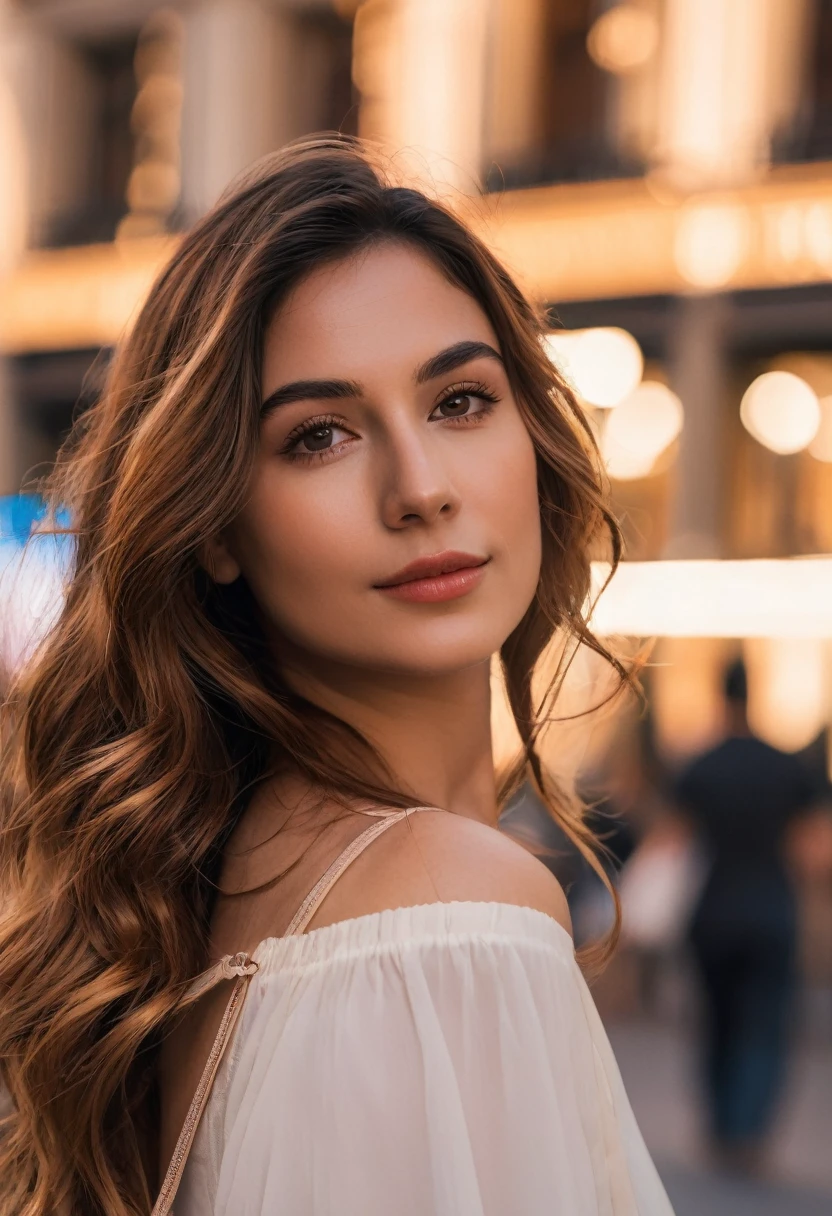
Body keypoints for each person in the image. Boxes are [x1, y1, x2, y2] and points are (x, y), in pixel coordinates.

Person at [0, 136, 674, 1215]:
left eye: (459, 401)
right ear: (214, 527)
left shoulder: (242, 881)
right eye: (319, 435)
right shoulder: (447, 912)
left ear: (533, 434)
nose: (420, 488)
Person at [675, 658, 822, 1173]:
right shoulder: (785, 765)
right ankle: (748, 1130)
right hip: (770, 906)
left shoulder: (701, 765)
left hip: (713, 906)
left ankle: (720, 1125)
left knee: (716, 1020)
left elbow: (674, 839)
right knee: (763, 1023)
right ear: (753, 692)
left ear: (720, 694)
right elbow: (811, 848)